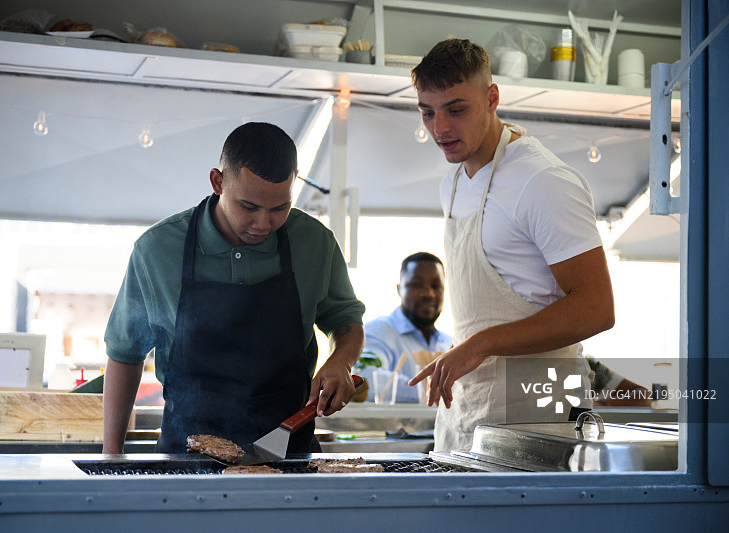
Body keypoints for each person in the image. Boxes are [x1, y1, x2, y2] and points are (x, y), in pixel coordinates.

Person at [102, 122, 366, 455]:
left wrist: (340, 361)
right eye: (249, 207)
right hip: (185, 455)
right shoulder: (157, 250)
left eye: (279, 208)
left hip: (287, 455)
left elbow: (345, 320)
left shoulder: (314, 242)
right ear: (217, 182)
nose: (263, 224)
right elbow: (126, 355)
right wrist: (112, 453)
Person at [408, 39, 615, 451]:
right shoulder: (450, 182)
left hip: (543, 413)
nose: (440, 128)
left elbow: (597, 308)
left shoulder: (542, 180)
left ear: (492, 97)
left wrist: (482, 344)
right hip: (468, 414)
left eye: (456, 109)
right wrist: (463, 349)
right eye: (428, 112)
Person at [359, 252, 452, 403]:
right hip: (392, 427)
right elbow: (366, 379)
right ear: (399, 289)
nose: (428, 294)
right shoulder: (377, 332)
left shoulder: (450, 343)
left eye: (436, 286)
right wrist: (433, 390)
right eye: (416, 285)